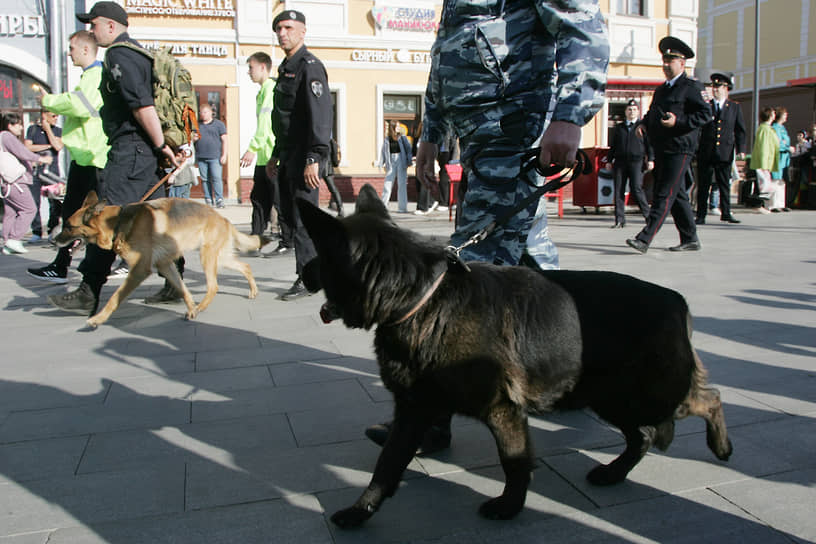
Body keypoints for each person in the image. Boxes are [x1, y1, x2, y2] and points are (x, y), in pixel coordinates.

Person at [369, 0, 609, 452]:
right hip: (480, 139)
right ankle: (580, 374)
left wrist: (569, 114)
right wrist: (431, 133)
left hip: (513, 133)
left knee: (467, 280)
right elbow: (447, 51)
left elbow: (584, 28)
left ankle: (430, 418)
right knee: (534, 264)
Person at [48, 0, 179, 315]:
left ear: (110, 25)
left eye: (93, 25)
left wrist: (161, 144)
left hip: (131, 150)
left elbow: (141, 105)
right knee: (157, 220)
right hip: (143, 152)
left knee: (105, 218)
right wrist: (158, 147)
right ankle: (175, 282)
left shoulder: (120, 54)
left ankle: (88, 291)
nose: (90, 31)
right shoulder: (139, 54)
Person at [27, 30, 109, 283]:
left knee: (81, 214)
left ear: (85, 49)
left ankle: (67, 266)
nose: (69, 53)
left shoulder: (95, 76)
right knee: (80, 214)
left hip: (91, 158)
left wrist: (48, 100)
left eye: (72, 48)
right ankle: (67, 265)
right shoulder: (92, 76)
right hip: (87, 157)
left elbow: (79, 104)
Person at [266, 9, 333, 300]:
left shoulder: (310, 67)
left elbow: (319, 116)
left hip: (306, 158)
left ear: (302, 31)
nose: (283, 33)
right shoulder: (286, 67)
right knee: (293, 218)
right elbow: (284, 120)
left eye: (289, 28)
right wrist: (274, 155)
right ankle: (317, 272)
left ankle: (309, 279)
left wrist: (314, 158)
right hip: (289, 156)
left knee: (306, 221)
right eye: (279, 28)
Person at [626, 37, 709, 254]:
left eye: (670, 60)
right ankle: (690, 238)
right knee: (678, 194)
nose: (666, 65)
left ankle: (644, 239)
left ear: (682, 63)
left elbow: (706, 114)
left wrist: (678, 122)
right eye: (664, 60)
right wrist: (643, 123)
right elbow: (653, 112)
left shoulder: (691, 87)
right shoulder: (662, 90)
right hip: (662, 147)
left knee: (664, 194)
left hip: (680, 148)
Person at [240, 52, 291, 255]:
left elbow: (265, 125)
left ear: (263, 67)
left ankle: (288, 240)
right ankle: (255, 241)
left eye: (251, 67)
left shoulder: (271, 89)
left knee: (279, 200)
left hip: (272, 155)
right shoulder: (261, 92)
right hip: (263, 157)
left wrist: (252, 147)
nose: (248, 72)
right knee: (259, 200)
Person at [695, 71, 746, 225]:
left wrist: (741, 149)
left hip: (725, 151)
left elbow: (740, 130)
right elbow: (698, 128)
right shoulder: (707, 106)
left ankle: (726, 212)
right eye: (714, 86)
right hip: (706, 151)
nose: (715, 89)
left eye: (718, 86)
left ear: (726, 88)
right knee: (704, 184)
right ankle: (701, 214)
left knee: (724, 183)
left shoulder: (734, 107)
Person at [1, 113, 53, 255]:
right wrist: (41, 159)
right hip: (17, 182)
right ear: (10, 125)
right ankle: (14, 239)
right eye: (18, 124)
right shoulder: (7, 136)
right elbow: (22, 152)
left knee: (10, 213)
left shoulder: (3, 137)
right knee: (29, 209)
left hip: (8, 183)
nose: (21, 127)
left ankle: (7, 243)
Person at [607, 99, 653, 228]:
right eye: (629, 109)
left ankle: (649, 218)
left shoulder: (642, 127)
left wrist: (651, 159)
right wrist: (609, 160)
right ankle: (619, 220)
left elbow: (649, 145)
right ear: (625, 111)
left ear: (638, 111)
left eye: (634, 110)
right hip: (620, 162)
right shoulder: (619, 128)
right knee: (618, 191)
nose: (631, 112)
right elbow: (613, 146)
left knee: (637, 189)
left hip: (636, 162)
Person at [24, 109, 63, 243]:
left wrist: (48, 129)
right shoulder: (32, 130)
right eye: (53, 115)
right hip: (35, 171)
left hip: (52, 173)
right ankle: (36, 231)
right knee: (34, 202)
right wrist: (47, 146)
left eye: (57, 115)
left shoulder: (57, 130)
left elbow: (57, 146)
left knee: (55, 202)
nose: (56, 118)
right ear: (44, 115)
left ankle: (52, 229)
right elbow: (27, 147)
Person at [194, 103, 227, 208]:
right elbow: (192, 139)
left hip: (215, 157)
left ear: (211, 113)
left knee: (216, 178)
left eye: (205, 112)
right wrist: (193, 138)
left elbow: (225, 140)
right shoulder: (197, 125)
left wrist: (224, 155)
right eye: (201, 112)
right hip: (201, 156)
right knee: (204, 179)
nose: (203, 114)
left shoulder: (219, 124)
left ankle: (219, 199)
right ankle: (208, 199)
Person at [750, 107, 781, 213]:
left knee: (764, 183)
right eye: (773, 113)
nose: (774, 114)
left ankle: (762, 205)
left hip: (766, 160)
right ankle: (758, 205)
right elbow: (763, 146)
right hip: (763, 161)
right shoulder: (764, 128)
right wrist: (763, 162)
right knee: (762, 183)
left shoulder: (768, 128)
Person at [378, 120, 411, 213]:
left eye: (399, 126)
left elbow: (408, 149)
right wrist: (381, 164)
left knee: (402, 184)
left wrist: (409, 161)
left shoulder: (402, 137)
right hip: (391, 161)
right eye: (397, 126)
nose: (399, 128)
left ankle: (402, 208)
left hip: (401, 159)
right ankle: (383, 206)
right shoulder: (387, 139)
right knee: (387, 184)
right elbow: (383, 152)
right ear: (393, 128)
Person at [771, 106, 793, 211]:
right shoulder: (775, 127)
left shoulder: (783, 128)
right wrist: (788, 148)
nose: (786, 116)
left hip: (784, 158)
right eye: (785, 114)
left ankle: (781, 204)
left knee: (782, 181)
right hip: (778, 157)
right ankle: (774, 204)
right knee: (776, 179)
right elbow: (779, 143)